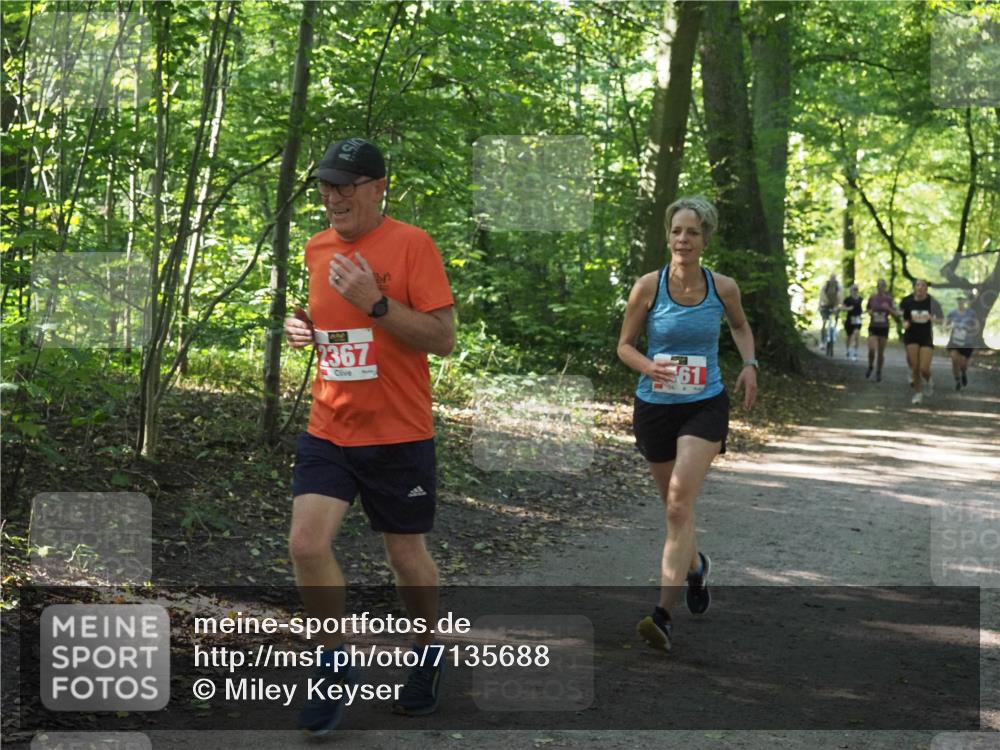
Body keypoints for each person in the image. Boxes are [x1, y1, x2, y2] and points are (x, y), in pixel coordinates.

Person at [283, 138, 456, 734]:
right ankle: (333, 664)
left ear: (379, 187)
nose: (333, 197)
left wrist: (378, 304)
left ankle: (429, 654)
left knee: (405, 556)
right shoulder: (317, 248)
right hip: (330, 425)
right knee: (307, 545)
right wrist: (303, 328)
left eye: (346, 186)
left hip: (398, 432)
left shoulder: (412, 245)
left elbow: (442, 337)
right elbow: (331, 324)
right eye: (327, 186)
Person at [617, 196, 757, 652]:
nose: (683, 240)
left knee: (679, 503)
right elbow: (625, 345)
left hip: (705, 404)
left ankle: (663, 615)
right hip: (656, 406)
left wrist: (749, 363)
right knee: (675, 509)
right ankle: (695, 566)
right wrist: (648, 367)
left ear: (705, 238)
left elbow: (738, 326)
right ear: (668, 236)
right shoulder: (648, 287)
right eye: (677, 231)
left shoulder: (723, 288)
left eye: (692, 232)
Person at [899, 279, 943, 405]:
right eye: (918, 285)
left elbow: (942, 321)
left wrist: (932, 319)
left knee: (924, 368)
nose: (920, 287)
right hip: (911, 336)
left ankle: (929, 380)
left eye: (923, 285)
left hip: (926, 336)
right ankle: (918, 393)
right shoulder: (908, 301)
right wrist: (905, 324)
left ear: (926, 289)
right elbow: (904, 319)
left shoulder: (932, 302)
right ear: (914, 287)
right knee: (915, 367)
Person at [865, 278, 901, 382]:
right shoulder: (872, 298)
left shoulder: (889, 299)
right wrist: (870, 312)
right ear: (876, 287)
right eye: (878, 285)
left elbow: (896, 314)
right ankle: (870, 365)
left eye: (882, 286)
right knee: (872, 349)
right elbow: (868, 308)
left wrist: (888, 308)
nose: (880, 287)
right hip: (873, 326)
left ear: (885, 287)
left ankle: (878, 371)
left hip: (884, 327)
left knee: (881, 352)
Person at [946, 297, 979, 390]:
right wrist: (949, 327)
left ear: (965, 302)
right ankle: (957, 380)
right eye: (959, 301)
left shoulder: (971, 313)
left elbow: (976, 326)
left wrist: (969, 329)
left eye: (962, 301)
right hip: (954, 342)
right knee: (954, 359)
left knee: (963, 364)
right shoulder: (952, 313)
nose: (961, 303)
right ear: (957, 302)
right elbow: (946, 324)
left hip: (967, 342)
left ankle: (963, 373)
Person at [819, 273, 842, 350]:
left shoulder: (838, 286)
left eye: (834, 278)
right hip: (826, 305)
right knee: (824, 322)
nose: (833, 279)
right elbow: (822, 295)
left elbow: (840, 296)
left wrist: (838, 306)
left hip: (834, 305)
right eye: (832, 278)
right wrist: (821, 305)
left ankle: (833, 336)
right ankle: (822, 341)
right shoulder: (826, 286)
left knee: (835, 322)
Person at [842, 283, 863, 361]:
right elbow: (842, 307)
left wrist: (861, 314)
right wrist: (848, 309)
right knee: (849, 336)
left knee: (856, 334)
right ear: (850, 291)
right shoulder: (847, 299)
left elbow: (861, 309)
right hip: (849, 319)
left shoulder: (860, 299)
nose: (855, 291)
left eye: (856, 289)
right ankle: (848, 350)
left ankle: (855, 352)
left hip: (857, 319)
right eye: (854, 289)